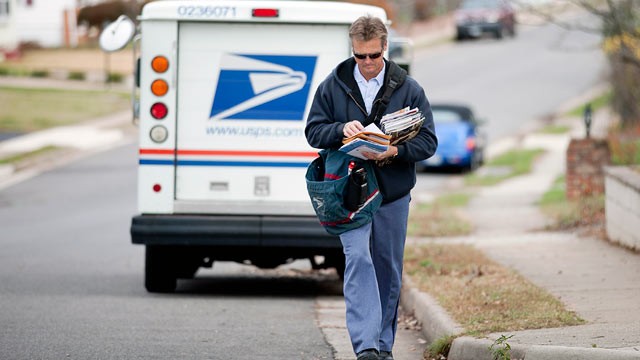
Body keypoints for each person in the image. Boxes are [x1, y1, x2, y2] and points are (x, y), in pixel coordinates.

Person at [305, 15, 438, 360]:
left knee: (387, 267)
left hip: (392, 192)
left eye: (373, 56)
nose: (365, 64)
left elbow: (428, 142)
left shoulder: (409, 88)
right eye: (359, 56)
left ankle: (382, 346)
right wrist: (339, 131)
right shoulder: (332, 86)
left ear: (385, 49)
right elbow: (313, 131)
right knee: (358, 259)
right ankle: (365, 347)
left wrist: (396, 150)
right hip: (348, 194)